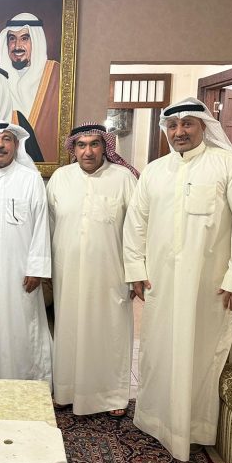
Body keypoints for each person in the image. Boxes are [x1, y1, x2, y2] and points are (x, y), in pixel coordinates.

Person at [123, 97, 232, 461]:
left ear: (204, 126)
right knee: (157, 349)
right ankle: (154, 419)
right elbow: (136, 223)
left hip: (209, 285)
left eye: (187, 123)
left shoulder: (231, 166)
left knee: (199, 353)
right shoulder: (155, 171)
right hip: (160, 280)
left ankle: (192, 427)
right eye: (172, 126)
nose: (179, 132)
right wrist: (136, 270)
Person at [47, 122, 139, 418]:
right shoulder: (60, 178)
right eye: (81, 145)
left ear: (105, 147)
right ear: (73, 149)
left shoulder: (123, 178)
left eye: (94, 144)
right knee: (69, 331)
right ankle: (66, 392)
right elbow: (49, 227)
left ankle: (112, 395)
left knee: (109, 334)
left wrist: (135, 273)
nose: (88, 151)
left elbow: (137, 229)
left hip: (111, 274)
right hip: (68, 273)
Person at [0, 121, 52, 382]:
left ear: (16, 144)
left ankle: (28, 384)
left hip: (22, 272)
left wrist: (37, 269)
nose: (0, 145)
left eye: (6, 139)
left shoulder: (31, 179)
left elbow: (41, 225)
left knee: (23, 326)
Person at [0, 13, 61, 161]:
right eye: (12, 39)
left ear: (36, 41)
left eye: (24, 38)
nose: (17, 46)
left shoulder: (55, 75)